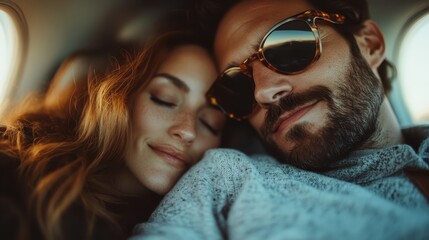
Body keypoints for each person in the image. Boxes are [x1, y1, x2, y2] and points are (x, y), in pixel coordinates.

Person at [130, 0, 429, 239]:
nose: (263, 92)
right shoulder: (229, 181)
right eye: (238, 85)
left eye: (288, 46)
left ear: (370, 44)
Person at [0, 29, 225, 240]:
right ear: (121, 98)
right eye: (164, 99)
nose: (187, 131)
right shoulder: (15, 162)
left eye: (209, 123)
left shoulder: (178, 229)